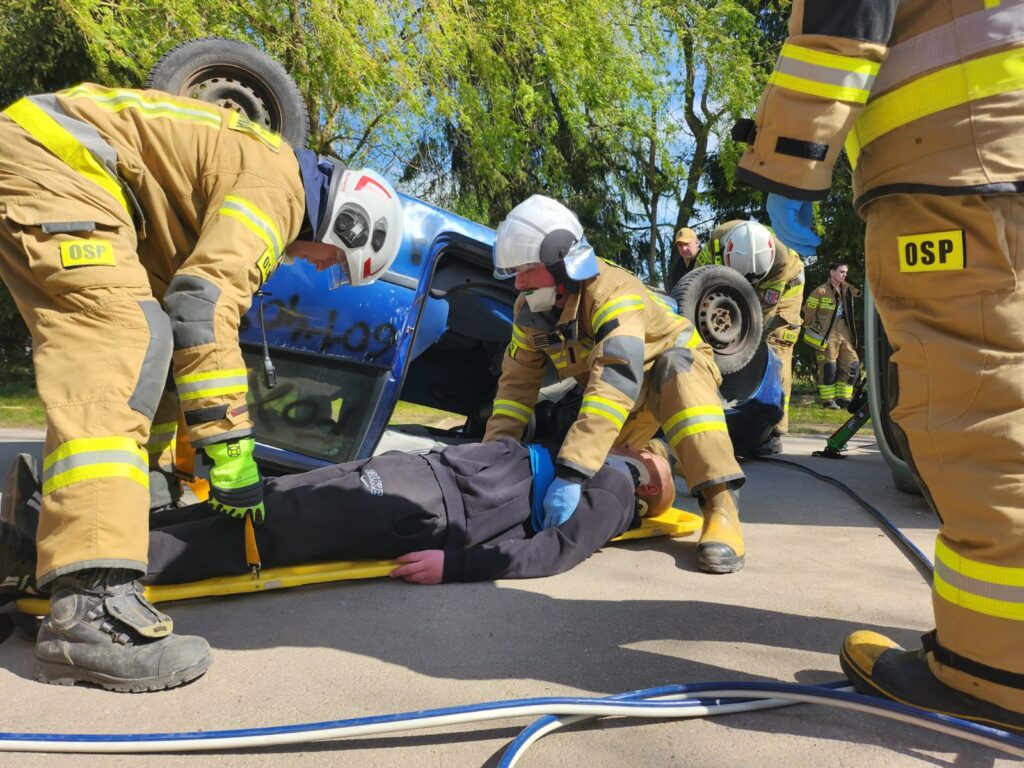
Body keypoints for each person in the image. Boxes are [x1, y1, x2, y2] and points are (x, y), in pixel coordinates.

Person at [0, 83, 404, 691]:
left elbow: (179, 312)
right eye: (331, 260)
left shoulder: (251, 169)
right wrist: (233, 453)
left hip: (66, 166)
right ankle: (90, 610)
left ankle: (43, 547)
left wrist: (165, 486)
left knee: (149, 345)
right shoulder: (279, 190)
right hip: (59, 164)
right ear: (346, 223)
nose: (315, 266)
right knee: (121, 343)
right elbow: (203, 306)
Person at [733, 2, 1024, 731]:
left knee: (981, 414)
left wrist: (792, 159)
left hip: (957, 167)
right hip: (996, 157)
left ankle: (994, 672)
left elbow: (845, 12)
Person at [0, 439, 674, 593]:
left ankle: (60, 561)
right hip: (414, 475)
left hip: (424, 510)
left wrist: (457, 565)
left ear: (646, 478)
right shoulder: (584, 452)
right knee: (249, 507)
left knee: (254, 536)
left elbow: (555, 553)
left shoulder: (613, 490)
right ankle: (62, 536)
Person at [484, 195, 746, 574]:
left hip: (672, 377)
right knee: (610, 470)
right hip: (627, 399)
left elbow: (615, 378)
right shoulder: (530, 309)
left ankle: (721, 506)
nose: (518, 282)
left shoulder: (612, 292)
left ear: (561, 264)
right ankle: (660, 453)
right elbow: (514, 391)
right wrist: (489, 463)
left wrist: (573, 471)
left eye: (526, 269)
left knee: (676, 372)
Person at [705, 220, 805, 454]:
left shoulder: (778, 261)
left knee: (775, 349)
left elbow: (760, 315)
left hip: (786, 292)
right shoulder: (718, 238)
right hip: (735, 282)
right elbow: (699, 275)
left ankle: (774, 430)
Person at [802, 262, 861, 410]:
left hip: (844, 331)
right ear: (832, 272)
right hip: (827, 334)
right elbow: (806, 314)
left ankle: (843, 399)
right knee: (829, 368)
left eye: (846, 272)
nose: (844, 275)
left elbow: (862, 293)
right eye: (841, 272)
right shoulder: (820, 291)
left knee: (852, 365)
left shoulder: (847, 289)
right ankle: (828, 401)